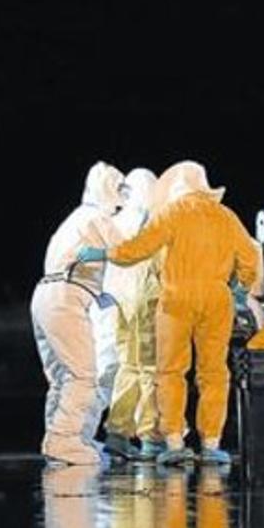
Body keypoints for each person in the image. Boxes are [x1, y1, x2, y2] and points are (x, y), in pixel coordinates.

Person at [78, 161, 258, 466]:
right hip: (217, 299)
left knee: (170, 371)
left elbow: (138, 249)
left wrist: (103, 253)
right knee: (214, 373)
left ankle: (173, 441)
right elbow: (250, 258)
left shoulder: (173, 213)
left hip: (175, 299)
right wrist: (240, 288)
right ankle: (211, 444)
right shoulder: (226, 216)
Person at [33, 162, 127, 465]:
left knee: (62, 377)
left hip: (45, 295)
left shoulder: (75, 217)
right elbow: (130, 251)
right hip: (66, 296)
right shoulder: (97, 219)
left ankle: (58, 438)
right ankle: (65, 440)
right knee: (84, 374)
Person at [100, 168, 162, 461]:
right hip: (145, 298)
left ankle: (118, 432)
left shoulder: (115, 221)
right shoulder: (149, 219)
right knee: (150, 367)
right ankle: (151, 436)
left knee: (128, 365)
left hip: (120, 302)